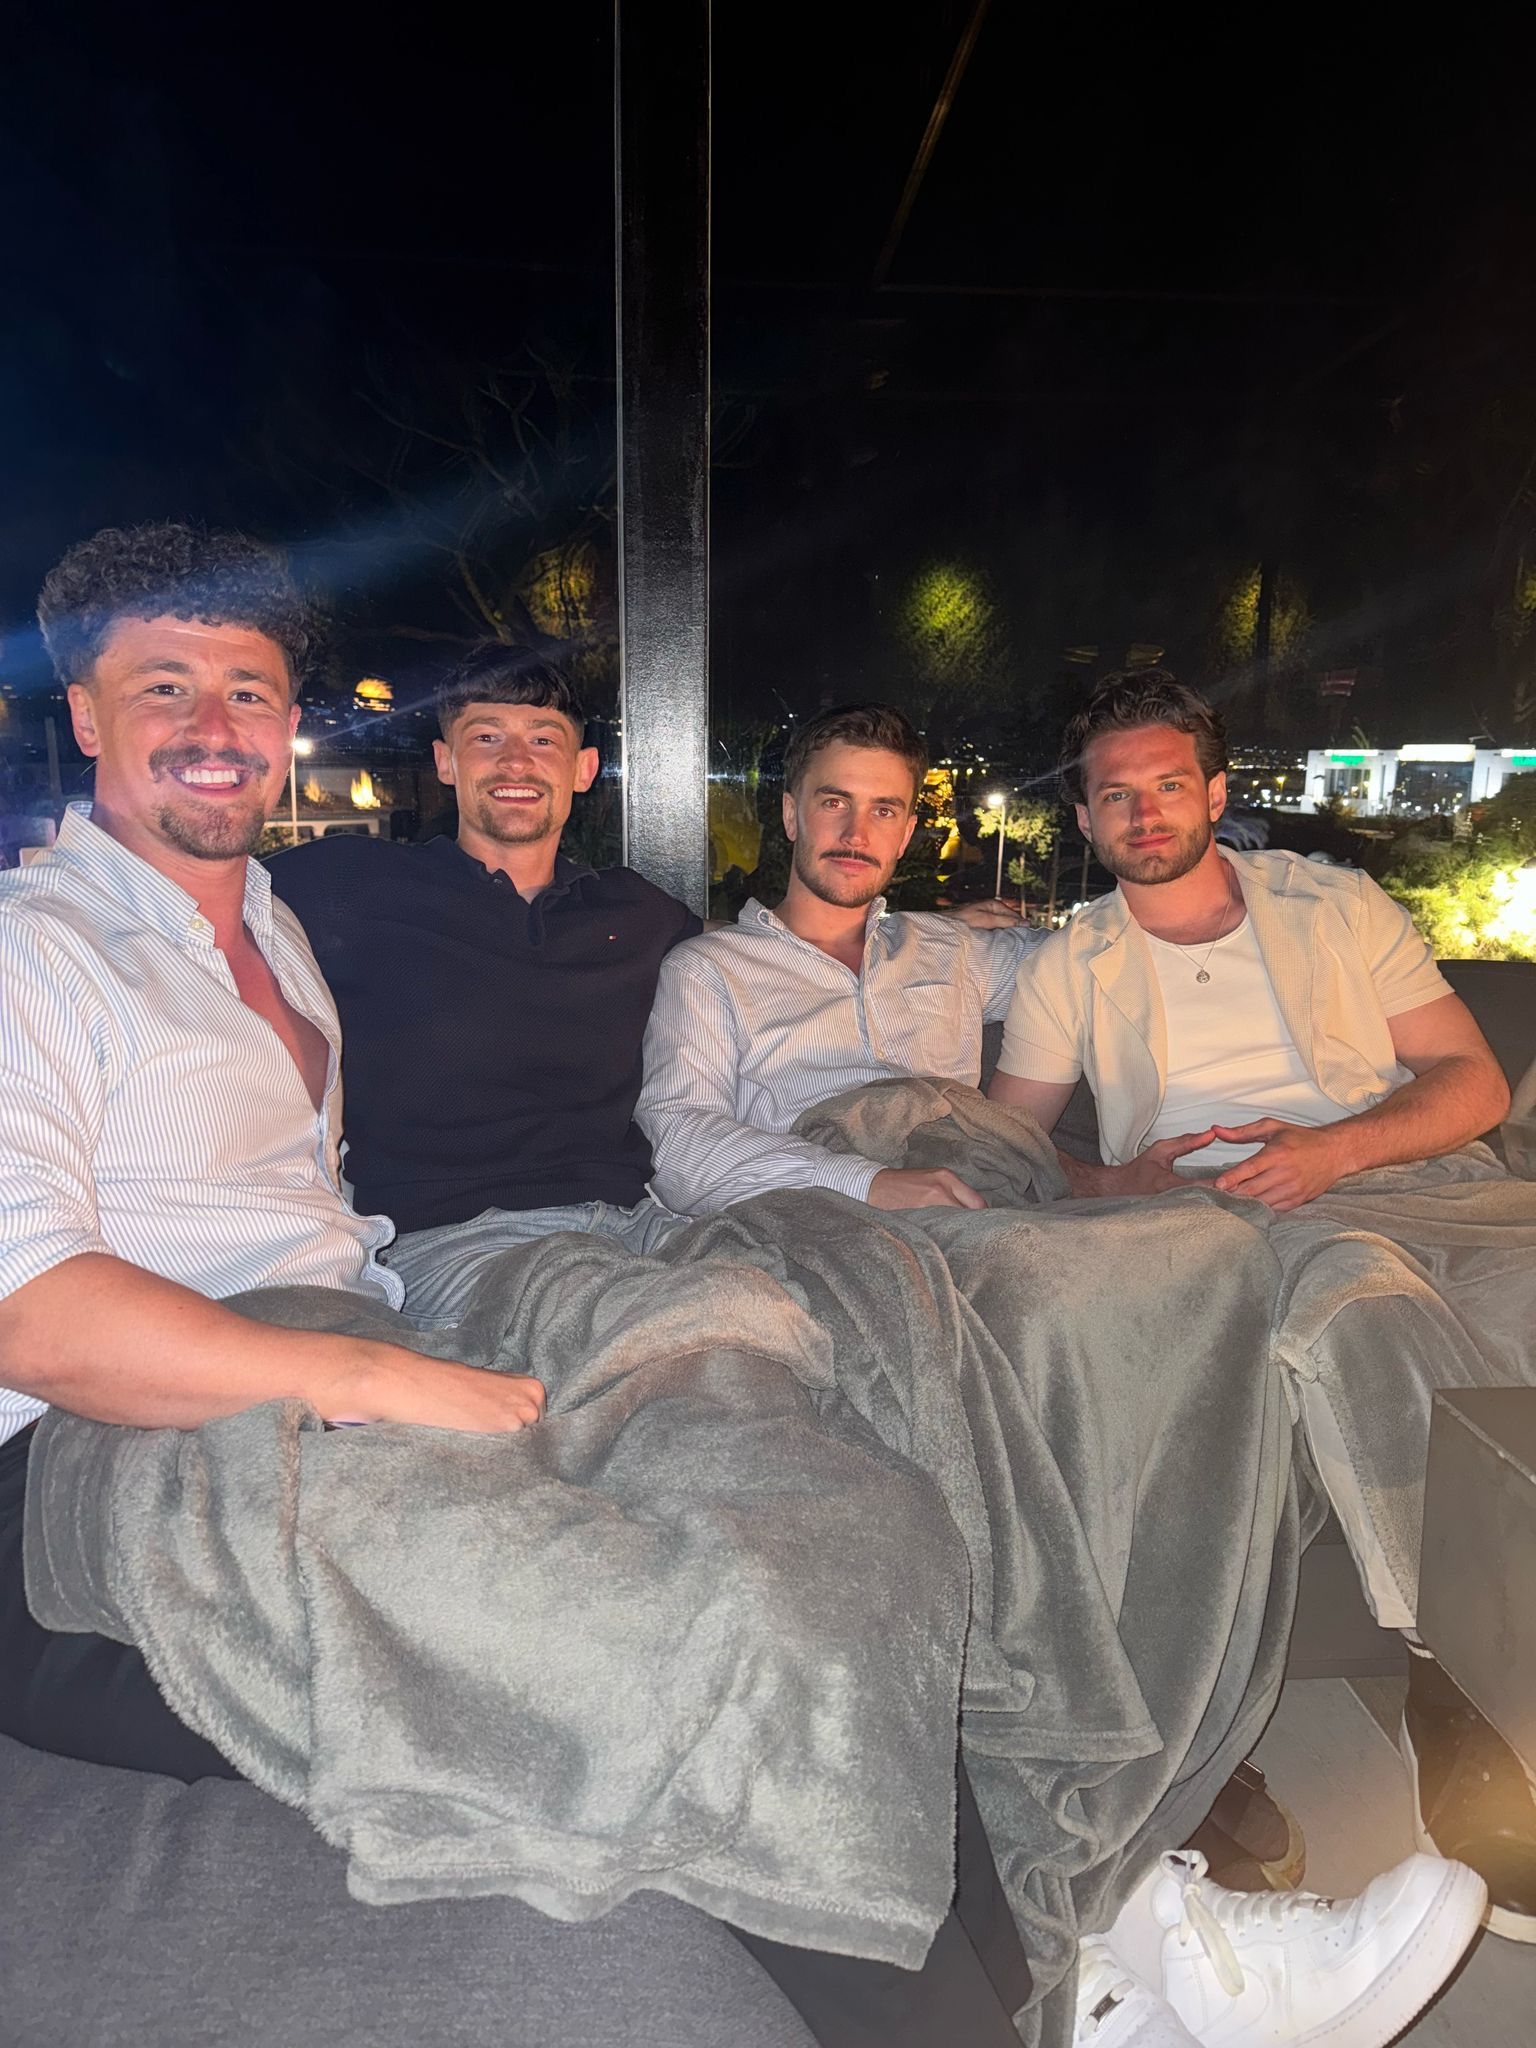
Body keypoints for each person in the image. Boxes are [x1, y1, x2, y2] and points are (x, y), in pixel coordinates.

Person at [0, 524, 1039, 2048]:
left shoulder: (280, 934)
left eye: (247, 688)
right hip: (90, 1491)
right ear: (84, 716)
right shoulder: (36, 950)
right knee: (680, 1625)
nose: (214, 727)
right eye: (166, 687)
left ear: (292, 723)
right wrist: (376, 1376)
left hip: (334, 1376)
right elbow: (30, 1308)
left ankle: (1069, 1985)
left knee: (840, 1529)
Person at [988, 668, 1536, 1942]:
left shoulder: (1335, 904)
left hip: (1418, 1179)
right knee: (1354, 1308)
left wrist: (1336, 1149)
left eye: (1167, 781)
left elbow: (1472, 1084)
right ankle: (1460, 1685)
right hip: (1237, 1218)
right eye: (1113, 793)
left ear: (1216, 792)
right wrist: (1116, 1175)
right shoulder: (1075, 962)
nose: (1141, 810)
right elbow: (1006, 1148)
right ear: (1084, 819)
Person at [268, 657, 1023, 1326]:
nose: (516, 761)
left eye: (544, 738)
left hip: (638, 1223)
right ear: (445, 760)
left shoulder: (634, 914)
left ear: (584, 769)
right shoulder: (351, 885)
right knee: (669, 1328)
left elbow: (778, 945)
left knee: (795, 1318)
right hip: (453, 1237)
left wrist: (929, 930)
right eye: (486, 735)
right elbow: (197, 899)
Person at [636, 704, 1055, 1216]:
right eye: (836, 802)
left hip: (968, 1202)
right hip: (816, 1215)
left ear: (905, 833)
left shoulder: (954, 949)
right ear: (792, 816)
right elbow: (681, 1143)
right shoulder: (709, 969)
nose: (857, 834)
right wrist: (866, 1184)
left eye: (884, 810)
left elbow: (1092, 959)